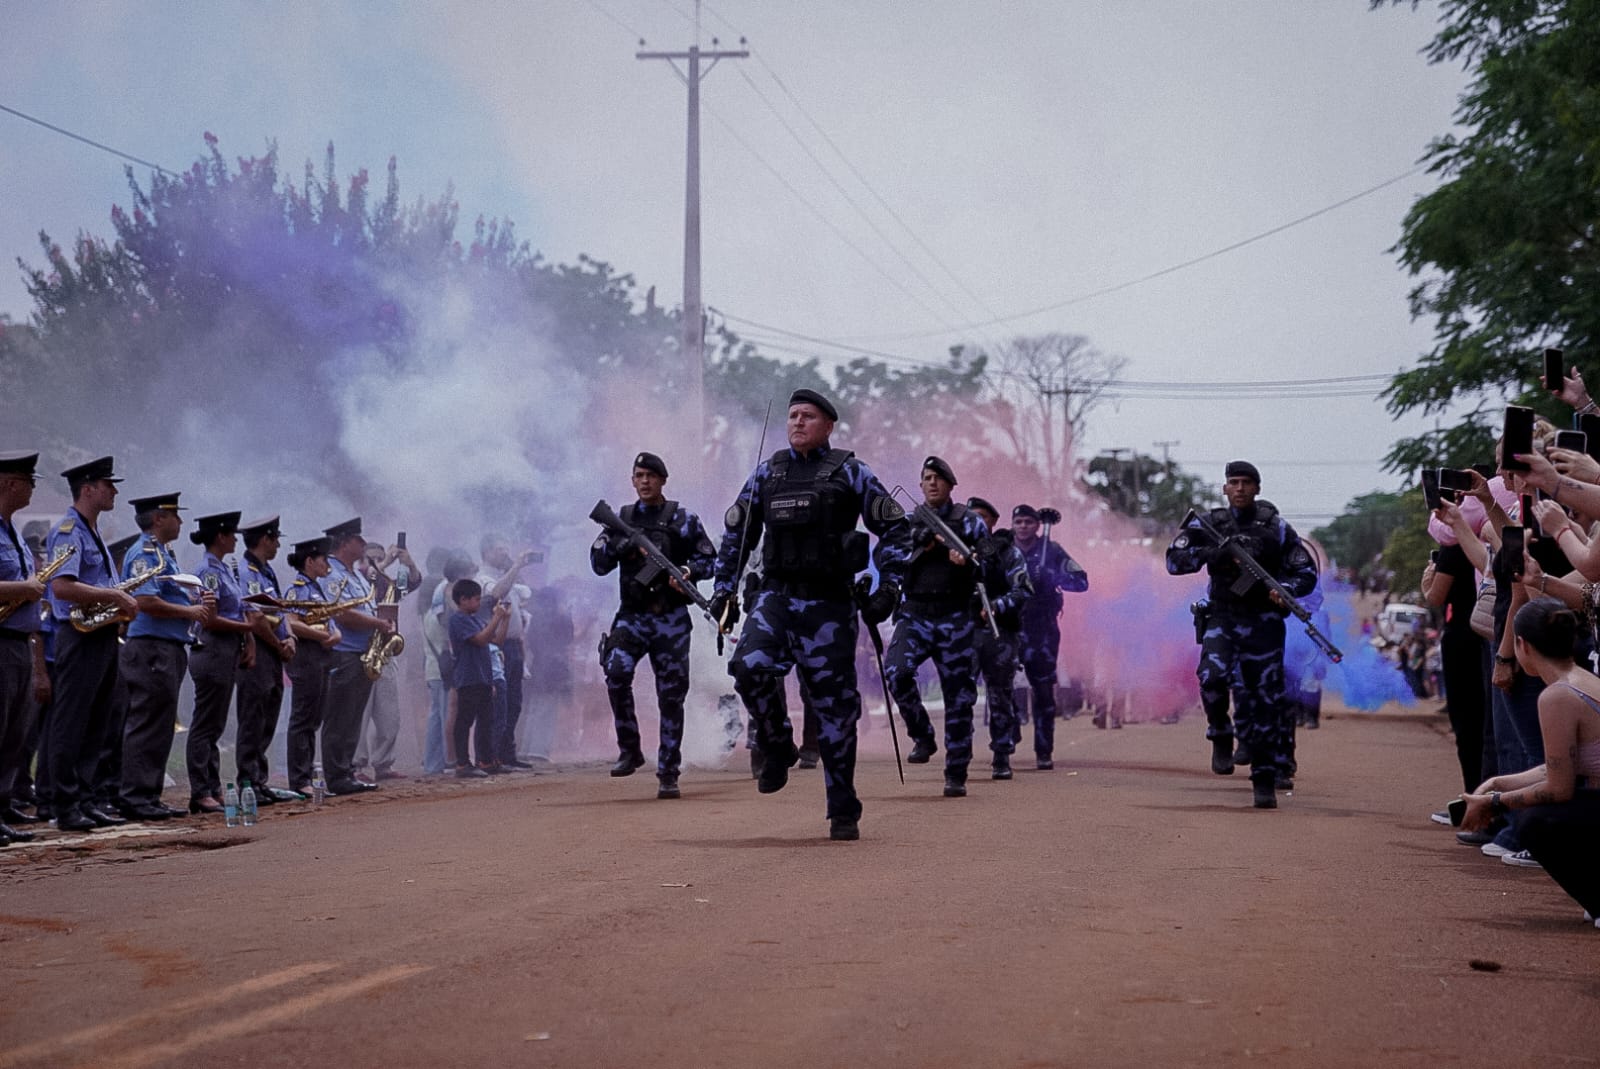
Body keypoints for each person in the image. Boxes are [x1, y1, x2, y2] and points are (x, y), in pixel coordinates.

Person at [709, 389, 911, 840]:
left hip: (830, 605)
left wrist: (889, 589)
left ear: (828, 425)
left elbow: (897, 531)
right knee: (748, 666)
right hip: (776, 598)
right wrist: (724, 590)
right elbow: (736, 537)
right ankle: (777, 743)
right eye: (793, 415)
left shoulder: (851, 473)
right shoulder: (768, 473)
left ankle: (843, 809)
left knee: (835, 711)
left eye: (808, 416)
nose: (798, 423)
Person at [1165, 461, 1318, 809]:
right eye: (1234, 482)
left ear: (1257, 488)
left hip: (1263, 622)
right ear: (1224, 489)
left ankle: (1263, 778)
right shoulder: (1210, 524)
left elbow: (1305, 571)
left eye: (1247, 483)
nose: (1240, 488)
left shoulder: (1276, 529)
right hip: (1222, 616)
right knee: (1212, 679)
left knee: (1266, 701)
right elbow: (1174, 562)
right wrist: (1212, 554)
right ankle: (1220, 731)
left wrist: (1286, 588)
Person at [1460, 597, 1600, 924]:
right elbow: (1562, 765)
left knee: (1535, 823)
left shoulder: (1557, 696)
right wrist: (1497, 783)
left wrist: (1496, 802)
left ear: (1521, 645)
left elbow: (1559, 788)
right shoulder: (1582, 680)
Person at [590, 451, 716, 799]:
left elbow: (710, 559)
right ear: (632, 480)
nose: (645, 482)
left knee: (671, 696)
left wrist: (688, 572)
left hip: (671, 618)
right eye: (639, 475)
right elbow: (598, 564)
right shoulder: (621, 519)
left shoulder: (683, 519)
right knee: (616, 672)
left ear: (663, 480)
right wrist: (621, 544)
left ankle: (668, 771)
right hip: (632, 616)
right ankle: (630, 748)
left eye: (651, 476)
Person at [883, 457, 997, 798]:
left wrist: (968, 564)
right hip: (915, 614)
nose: (932, 483)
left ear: (950, 485)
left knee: (959, 698)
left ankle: (956, 771)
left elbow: (991, 566)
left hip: (954, 616)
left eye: (938, 478)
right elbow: (886, 560)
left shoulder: (970, 523)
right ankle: (922, 735)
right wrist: (918, 545)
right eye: (926, 478)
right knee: (897, 673)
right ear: (920, 485)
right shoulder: (908, 521)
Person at [44, 456, 139, 832]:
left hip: (100, 634)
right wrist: (114, 597)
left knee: (98, 721)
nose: (114, 490)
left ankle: (86, 798)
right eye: (107, 484)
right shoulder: (69, 530)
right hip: (78, 635)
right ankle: (64, 804)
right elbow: (62, 586)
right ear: (88, 489)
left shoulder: (92, 530)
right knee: (72, 721)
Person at [117, 492, 213, 821]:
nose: (181, 522)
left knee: (160, 725)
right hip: (151, 646)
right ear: (159, 518)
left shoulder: (161, 553)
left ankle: (148, 794)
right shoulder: (145, 552)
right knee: (147, 723)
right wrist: (191, 612)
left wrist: (192, 606)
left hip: (166, 646)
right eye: (175, 516)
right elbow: (145, 601)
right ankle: (135, 796)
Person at [186, 511, 256, 815]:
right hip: (212, 650)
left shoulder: (225, 569)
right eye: (232, 534)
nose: (236, 540)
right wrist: (247, 629)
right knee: (205, 724)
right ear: (221, 536)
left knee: (215, 724)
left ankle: (211, 786)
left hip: (226, 651)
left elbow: (235, 611)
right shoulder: (209, 571)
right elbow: (211, 619)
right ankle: (201, 790)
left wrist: (246, 637)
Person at [1010, 503, 1089, 769]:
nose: (1023, 527)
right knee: (1002, 686)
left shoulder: (1051, 551)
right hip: (1009, 627)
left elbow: (1081, 581)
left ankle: (1044, 751)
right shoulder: (1003, 549)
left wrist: (1053, 576)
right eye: (1018, 522)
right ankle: (1007, 736)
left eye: (1028, 522)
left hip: (1042, 629)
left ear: (1037, 525)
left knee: (1043, 691)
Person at [320, 518, 394, 796]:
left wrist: (383, 624)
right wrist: (377, 624)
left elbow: (369, 609)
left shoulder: (357, 575)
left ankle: (346, 770)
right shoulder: (332, 574)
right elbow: (342, 614)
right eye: (358, 540)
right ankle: (336, 775)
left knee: (353, 717)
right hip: (344, 652)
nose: (363, 544)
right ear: (344, 543)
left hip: (364, 652)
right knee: (340, 716)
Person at [966, 496, 1034, 780]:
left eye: (983, 517)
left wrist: (996, 606)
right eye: (971, 516)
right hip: (962, 632)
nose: (977, 522)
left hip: (999, 633)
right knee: (960, 695)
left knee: (999, 695)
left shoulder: (1006, 552)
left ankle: (1001, 754)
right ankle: (958, 754)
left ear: (993, 522)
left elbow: (1023, 589)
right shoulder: (950, 548)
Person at [0, 451, 48, 844]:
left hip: (19, 640)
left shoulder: (13, 531)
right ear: (8, 484)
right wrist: (25, 588)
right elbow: (22, 586)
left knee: (16, 731)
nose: (33, 487)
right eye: (28, 480)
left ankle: (3, 804)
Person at [236, 516, 297, 802]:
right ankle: (248, 781)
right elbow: (256, 616)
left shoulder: (268, 571)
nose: (278, 544)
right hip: (258, 651)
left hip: (274, 652)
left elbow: (279, 611)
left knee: (268, 717)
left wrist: (291, 638)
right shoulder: (246, 571)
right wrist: (277, 644)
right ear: (265, 539)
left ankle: (260, 780)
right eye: (275, 539)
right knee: (253, 717)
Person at [282, 536, 343, 794]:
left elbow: (330, 621)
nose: (326, 564)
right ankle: (299, 779)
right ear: (309, 561)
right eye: (322, 559)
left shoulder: (317, 589)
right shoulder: (297, 589)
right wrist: (320, 635)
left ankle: (306, 774)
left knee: (314, 717)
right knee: (302, 718)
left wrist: (335, 634)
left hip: (321, 657)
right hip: (306, 657)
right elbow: (290, 620)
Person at [354, 538, 418, 782]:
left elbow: (412, 582)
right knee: (360, 714)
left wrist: (408, 562)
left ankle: (383, 764)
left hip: (386, 651)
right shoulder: (356, 580)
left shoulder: (388, 583)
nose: (377, 563)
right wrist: (385, 562)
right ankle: (356, 765)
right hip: (360, 651)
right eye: (371, 558)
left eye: (380, 558)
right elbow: (366, 574)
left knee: (390, 715)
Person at [478, 536, 539, 769]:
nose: (504, 552)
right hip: (497, 646)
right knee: (497, 703)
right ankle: (490, 756)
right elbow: (496, 593)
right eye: (499, 548)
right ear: (486, 552)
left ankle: (507, 753)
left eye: (506, 547)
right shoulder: (483, 578)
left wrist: (514, 569)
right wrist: (516, 566)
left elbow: (524, 598)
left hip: (513, 645)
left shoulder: (508, 576)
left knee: (514, 703)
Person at [448, 578, 510, 777]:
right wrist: (495, 619)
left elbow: (497, 640)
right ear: (463, 600)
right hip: (468, 677)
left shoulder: (475, 619)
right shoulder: (458, 620)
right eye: (475, 599)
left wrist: (504, 619)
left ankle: (485, 760)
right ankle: (462, 763)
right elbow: (481, 640)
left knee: (486, 720)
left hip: (483, 677)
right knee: (465, 720)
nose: (477, 603)